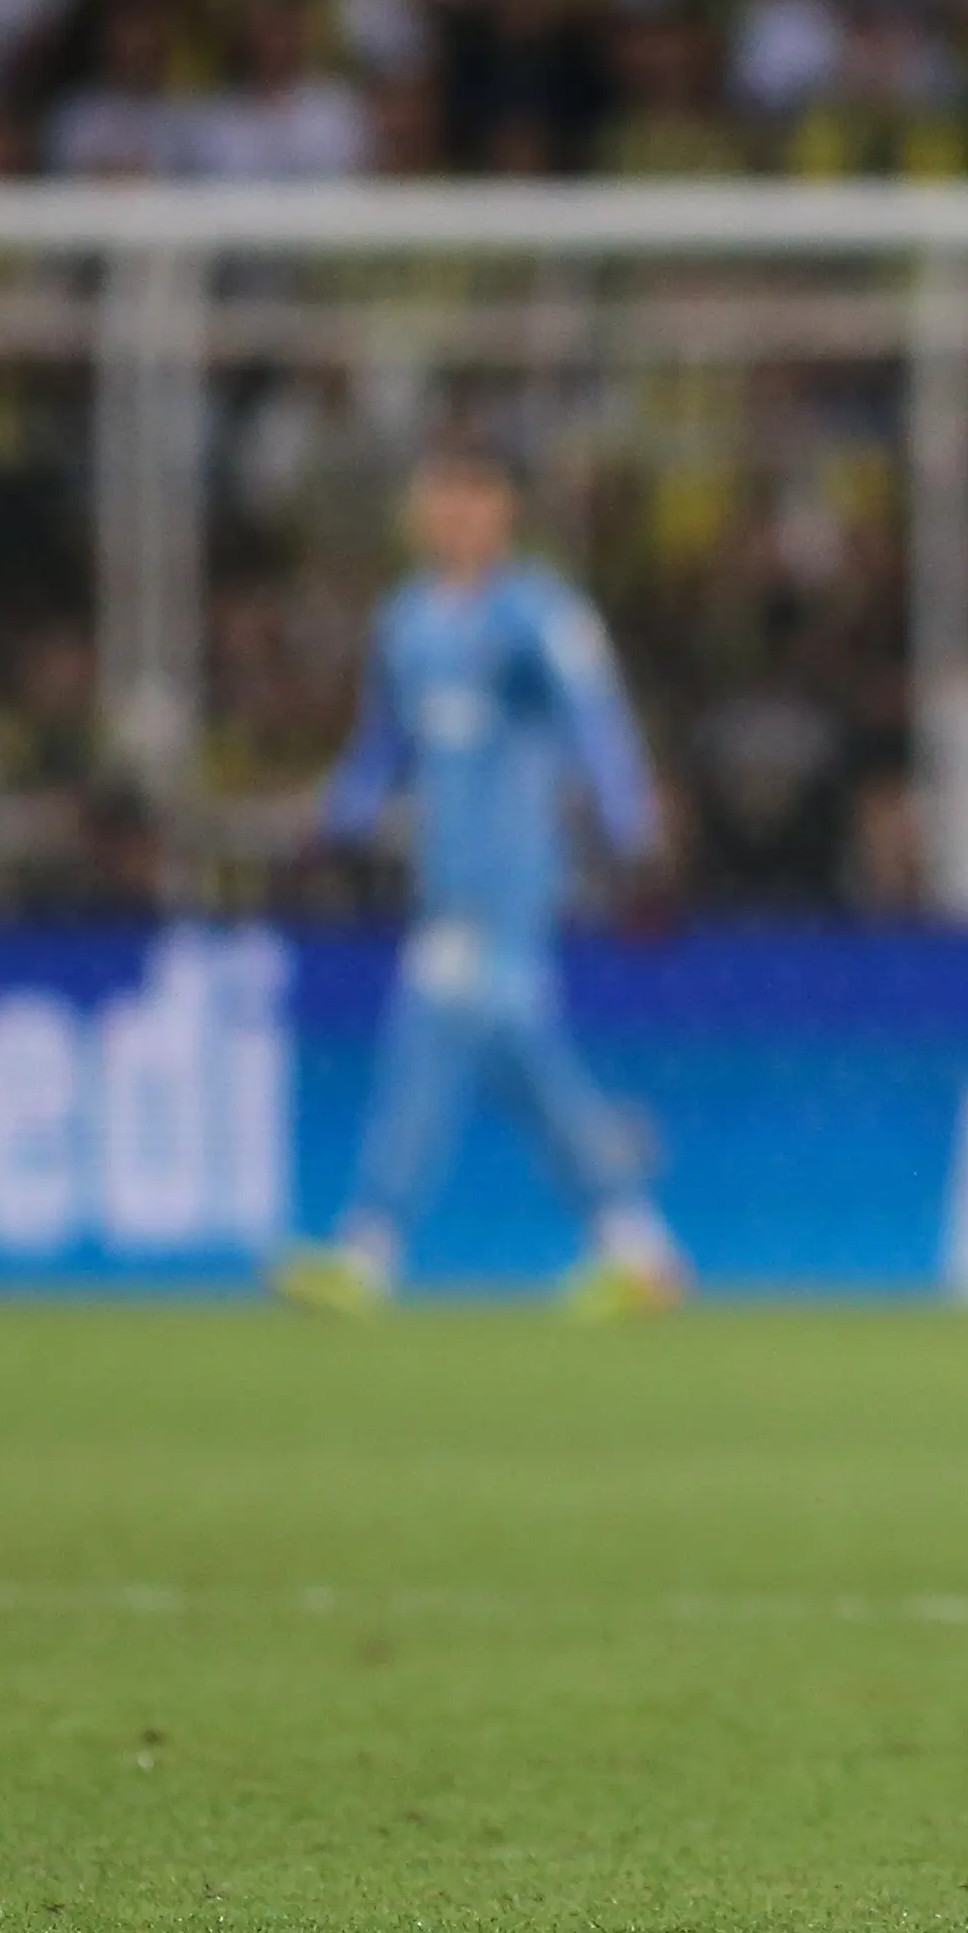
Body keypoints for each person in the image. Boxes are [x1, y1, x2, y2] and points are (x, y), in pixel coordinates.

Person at [271, 439, 689, 1321]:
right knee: (518, 1060)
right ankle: (634, 1238)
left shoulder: (540, 616)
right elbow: (384, 747)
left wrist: (634, 832)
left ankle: (370, 1244)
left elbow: (596, 721)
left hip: (513, 884)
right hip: (443, 882)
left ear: (504, 510)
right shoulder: (407, 622)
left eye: (473, 495)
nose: (455, 514)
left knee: (430, 1039)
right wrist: (334, 826)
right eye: (441, 495)